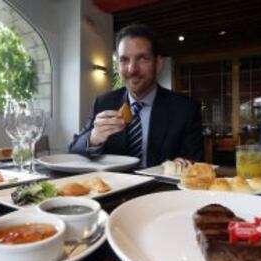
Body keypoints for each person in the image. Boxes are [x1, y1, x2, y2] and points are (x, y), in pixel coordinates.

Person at [69, 24, 203, 167]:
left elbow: (195, 160)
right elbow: (74, 150)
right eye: (124, 60)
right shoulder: (104, 103)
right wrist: (94, 138)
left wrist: (184, 163)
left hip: (161, 188)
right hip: (114, 187)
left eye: (142, 59)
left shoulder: (185, 109)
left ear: (158, 64)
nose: (132, 69)